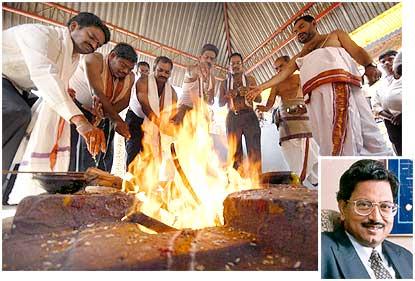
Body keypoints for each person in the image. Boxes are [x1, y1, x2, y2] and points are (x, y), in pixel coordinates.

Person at [2, 12, 110, 204]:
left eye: (98, 45)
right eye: (92, 37)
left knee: (33, 123)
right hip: (5, 78)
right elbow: (44, 75)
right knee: (17, 112)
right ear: (74, 26)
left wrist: (65, 91)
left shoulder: (73, 57)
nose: (93, 45)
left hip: (19, 86)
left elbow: (56, 82)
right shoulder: (40, 35)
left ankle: (9, 184)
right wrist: (80, 121)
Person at [247, 15, 392, 156]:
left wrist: (369, 65)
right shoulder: (300, 56)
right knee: (327, 139)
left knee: (363, 132)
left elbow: (357, 51)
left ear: (314, 23)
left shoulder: (335, 36)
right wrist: (261, 87)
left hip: (344, 91)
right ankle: (340, 173)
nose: (299, 33)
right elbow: (283, 74)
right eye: (295, 32)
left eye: (301, 27)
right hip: (317, 102)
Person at [321, 159, 413, 279]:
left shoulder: (407, 258)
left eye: (385, 206)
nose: (375, 217)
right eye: (364, 205)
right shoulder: (321, 250)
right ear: (343, 208)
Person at [69, 42, 137, 171]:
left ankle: (93, 184)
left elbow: (125, 101)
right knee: (73, 153)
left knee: (98, 153)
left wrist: (106, 115)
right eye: (123, 65)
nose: (125, 71)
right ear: (112, 56)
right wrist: (117, 120)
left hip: (102, 115)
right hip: (75, 110)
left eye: (130, 68)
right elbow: (97, 92)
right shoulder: (95, 59)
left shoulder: (130, 77)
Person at [256, 55, 318, 185]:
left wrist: (301, 104)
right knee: (289, 150)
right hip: (286, 122)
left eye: (281, 66)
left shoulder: (300, 77)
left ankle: (311, 181)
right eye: (276, 68)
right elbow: (269, 104)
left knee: (308, 149)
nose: (278, 70)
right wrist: (262, 108)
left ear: (289, 64)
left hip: (303, 118)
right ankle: (299, 179)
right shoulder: (276, 84)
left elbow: (310, 93)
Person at [126, 56, 178, 174]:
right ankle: (129, 183)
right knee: (133, 153)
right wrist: (161, 125)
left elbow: (173, 114)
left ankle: (146, 186)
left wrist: (175, 128)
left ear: (170, 74)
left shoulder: (173, 92)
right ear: (154, 69)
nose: (163, 74)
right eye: (160, 70)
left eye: (167, 72)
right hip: (136, 120)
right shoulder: (143, 81)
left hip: (157, 126)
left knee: (150, 157)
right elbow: (146, 106)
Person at [219, 52, 262, 177]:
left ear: (242, 65)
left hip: (249, 116)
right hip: (233, 117)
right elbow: (220, 103)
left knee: (254, 151)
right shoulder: (224, 83)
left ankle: (257, 182)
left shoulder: (250, 79)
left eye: (238, 63)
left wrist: (249, 91)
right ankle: (238, 184)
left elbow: (259, 99)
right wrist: (228, 95)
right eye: (233, 63)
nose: (236, 66)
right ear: (229, 66)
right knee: (235, 153)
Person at [170, 43, 218, 125]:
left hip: (199, 115)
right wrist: (198, 71)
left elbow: (211, 101)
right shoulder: (192, 69)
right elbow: (190, 72)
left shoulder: (212, 79)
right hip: (183, 111)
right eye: (206, 57)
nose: (209, 61)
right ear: (200, 58)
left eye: (212, 59)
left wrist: (208, 99)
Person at [372, 50, 401, 156]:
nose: (387, 63)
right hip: (392, 125)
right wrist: (391, 118)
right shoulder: (379, 86)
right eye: (383, 62)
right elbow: (376, 107)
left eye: (390, 59)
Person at [125, 61, 150, 168]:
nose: (144, 73)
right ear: (137, 72)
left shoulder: (152, 87)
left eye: (146, 71)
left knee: (146, 151)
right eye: (141, 71)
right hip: (133, 119)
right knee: (132, 149)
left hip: (147, 121)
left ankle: (143, 180)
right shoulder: (132, 82)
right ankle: (128, 178)